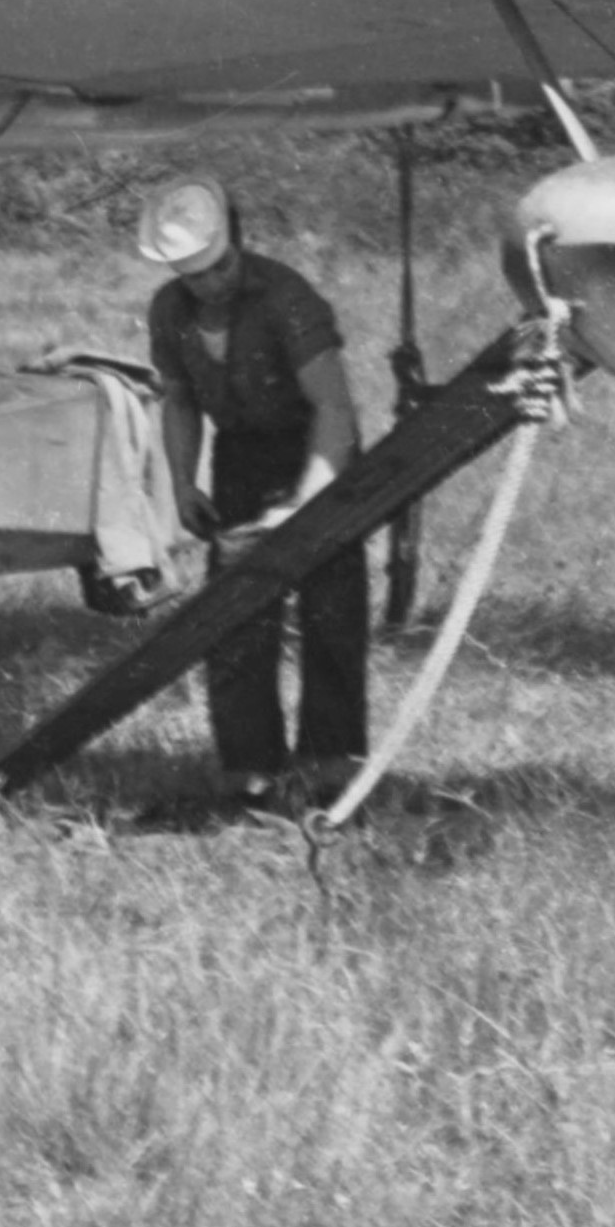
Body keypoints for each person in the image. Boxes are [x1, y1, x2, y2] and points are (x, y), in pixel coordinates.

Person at [136, 174, 370, 793]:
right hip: (242, 455)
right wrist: (183, 484)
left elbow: (335, 409)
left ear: (237, 245)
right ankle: (249, 769)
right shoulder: (168, 311)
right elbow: (179, 400)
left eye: (220, 268)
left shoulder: (287, 298)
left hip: (316, 449)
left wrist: (308, 501)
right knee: (236, 612)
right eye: (194, 277)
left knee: (331, 611)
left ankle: (331, 764)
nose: (211, 285)